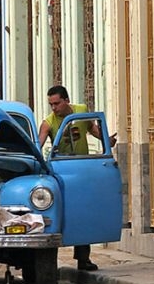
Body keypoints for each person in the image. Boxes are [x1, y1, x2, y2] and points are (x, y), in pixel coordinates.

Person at [37, 85, 116, 271]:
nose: (54, 108)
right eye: (51, 104)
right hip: (61, 171)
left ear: (66, 101)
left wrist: (106, 141)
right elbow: (38, 145)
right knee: (59, 215)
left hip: (84, 169)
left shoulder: (81, 111)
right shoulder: (48, 123)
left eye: (56, 103)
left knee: (83, 213)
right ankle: (50, 262)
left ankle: (83, 259)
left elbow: (93, 130)